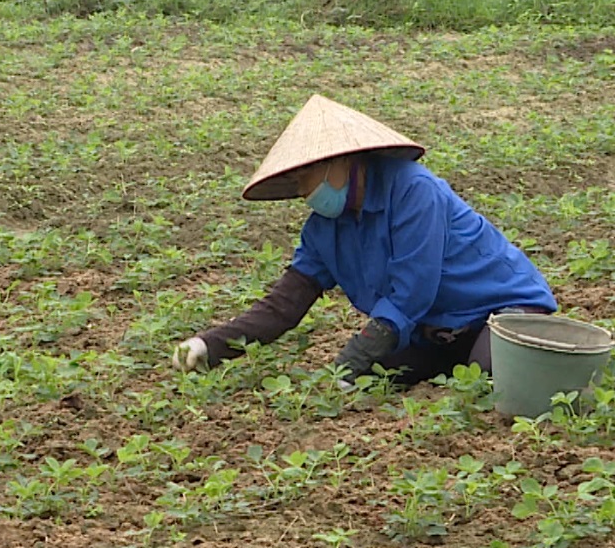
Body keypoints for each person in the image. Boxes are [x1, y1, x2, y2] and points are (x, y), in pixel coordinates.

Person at [172, 94, 557, 386]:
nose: (304, 190)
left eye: (308, 175)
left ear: (342, 161)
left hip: (500, 313)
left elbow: (411, 293)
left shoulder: (413, 191)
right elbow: (284, 305)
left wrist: (352, 356)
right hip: (432, 334)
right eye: (298, 180)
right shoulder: (323, 229)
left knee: (488, 377)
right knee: (373, 377)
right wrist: (211, 344)